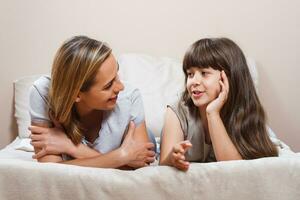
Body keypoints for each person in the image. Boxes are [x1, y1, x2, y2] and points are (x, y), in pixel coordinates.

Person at [29, 35, 155, 169]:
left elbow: (140, 168)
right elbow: (50, 169)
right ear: (76, 94)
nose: (120, 87)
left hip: (140, 135)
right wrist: (122, 157)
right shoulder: (42, 92)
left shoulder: (130, 97)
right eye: (108, 85)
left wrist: (72, 148)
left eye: (116, 74)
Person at [159, 38, 278, 171]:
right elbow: (163, 165)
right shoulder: (177, 111)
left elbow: (234, 170)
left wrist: (213, 114)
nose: (194, 81)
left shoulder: (245, 113)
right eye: (190, 74)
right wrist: (172, 158)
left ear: (227, 77)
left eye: (204, 73)